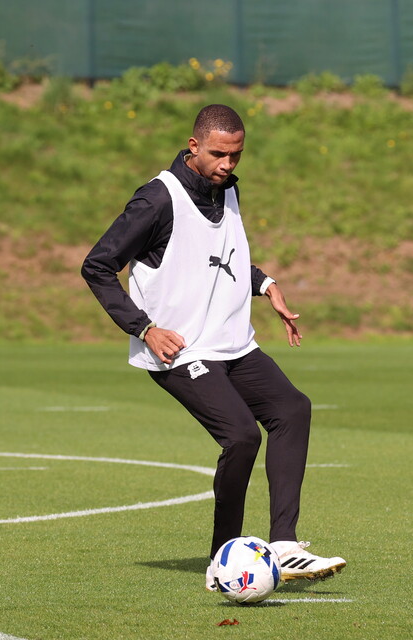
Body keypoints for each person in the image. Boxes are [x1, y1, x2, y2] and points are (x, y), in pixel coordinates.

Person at [82, 104, 345, 589]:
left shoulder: (227, 190)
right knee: (242, 436)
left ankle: (284, 545)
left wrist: (266, 285)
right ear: (193, 146)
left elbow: (214, 260)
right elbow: (97, 265)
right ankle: (223, 557)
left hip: (232, 345)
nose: (228, 164)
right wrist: (143, 328)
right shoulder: (156, 200)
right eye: (220, 154)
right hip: (180, 350)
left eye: (237, 154)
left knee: (292, 409)